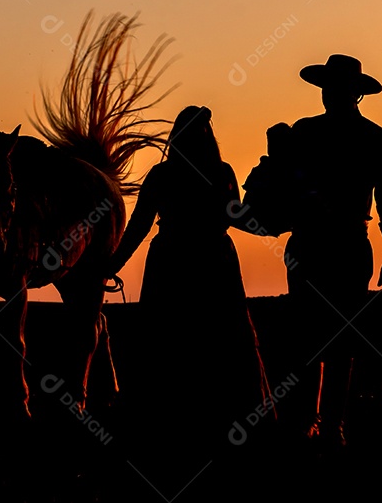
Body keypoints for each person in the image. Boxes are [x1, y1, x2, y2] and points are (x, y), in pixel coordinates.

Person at [107, 105, 271, 445]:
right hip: (213, 262)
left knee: (168, 340)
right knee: (224, 339)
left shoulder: (161, 175)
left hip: (173, 261)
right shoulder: (220, 172)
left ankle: (165, 422)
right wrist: (270, 224)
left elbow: (139, 226)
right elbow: (237, 216)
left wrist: (111, 265)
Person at [283, 54, 382, 446]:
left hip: (322, 243)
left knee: (319, 335)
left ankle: (320, 422)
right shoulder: (373, 137)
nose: (327, 94)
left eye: (333, 88)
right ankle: (323, 423)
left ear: (352, 93)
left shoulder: (306, 133)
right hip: (345, 245)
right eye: (326, 88)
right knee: (328, 336)